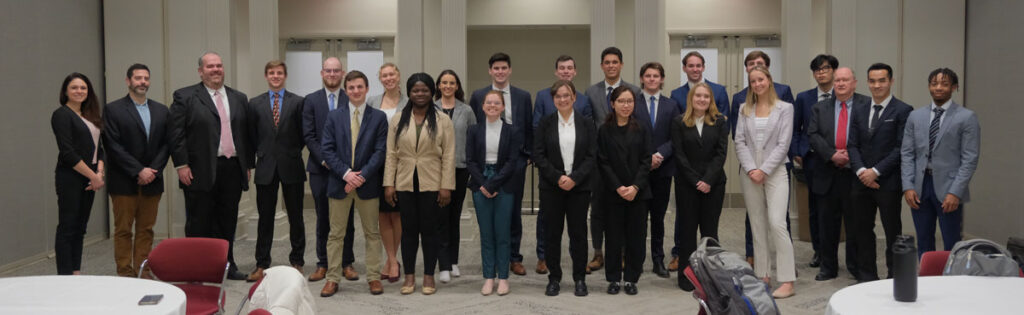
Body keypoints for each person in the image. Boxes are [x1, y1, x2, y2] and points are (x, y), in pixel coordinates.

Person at [169, 52, 251, 280]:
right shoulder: (185, 97)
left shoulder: (238, 98)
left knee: (228, 220)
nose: (215, 70)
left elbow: (244, 136)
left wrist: (247, 164)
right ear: (200, 71)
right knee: (199, 221)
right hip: (199, 169)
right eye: (210, 66)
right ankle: (196, 269)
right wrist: (181, 164)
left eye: (219, 66)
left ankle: (227, 265)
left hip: (232, 168)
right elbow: (176, 135)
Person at [383, 73, 456, 295]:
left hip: (432, 182)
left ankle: (428, 277)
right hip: (404, 182)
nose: (420, 94)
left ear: (432, 92)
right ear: (409, 93)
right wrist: (389, 183)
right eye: (415, 90)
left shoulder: (443, 119)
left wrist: (446, 186)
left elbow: (449, 155)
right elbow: (391, 154)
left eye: (424, 90)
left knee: (430, 231)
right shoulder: (397, 119)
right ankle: (409, 277)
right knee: (408, 232)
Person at [319, 71, 389, 296]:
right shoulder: (334, 116)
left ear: (367, 88)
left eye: (360, 87)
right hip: (339, 184)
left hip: (367, 185)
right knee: (335, 234)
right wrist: (347, 174)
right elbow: (327, 150)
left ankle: (374, 277)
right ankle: (332, 278)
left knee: (372, 234)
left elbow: (380, 152)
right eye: (351, 88)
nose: (356, 91)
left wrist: (360, 177)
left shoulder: (378, 117)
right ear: (345, 90)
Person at [901, 68, 979, 254]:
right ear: (929, 86)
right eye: (934, 83)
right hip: (920, 186)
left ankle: (952, 280)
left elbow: (970, 158)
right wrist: (908, 186)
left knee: (952, 242)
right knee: (923, 239)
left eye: (944, 84)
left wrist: (956, 192)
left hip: (949, 187)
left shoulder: (966, 117)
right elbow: (907, 153)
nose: (938, 88)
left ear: (954, 87)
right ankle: (927, 281)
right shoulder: (915, 116)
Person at [468, 53, 532, 276]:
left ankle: (513, 257)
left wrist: (527, 157)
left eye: (504, 67)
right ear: (490, 71)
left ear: (510, 70)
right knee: (488, 213)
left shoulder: (523, 96)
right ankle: (492, 259)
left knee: (512, 212)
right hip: (487, 161)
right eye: (496, 68)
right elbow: (477, 127)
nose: (500, 71)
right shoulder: (478, 96)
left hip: (515, 163)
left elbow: (529, 127)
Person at [102, 64, 169, 278]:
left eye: (146, 78)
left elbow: (167, 144)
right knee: (123, 231)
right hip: (124, 181)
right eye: (138, 78)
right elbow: (112, 145)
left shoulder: (161, 110)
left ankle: (143, 271)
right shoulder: (113, 109)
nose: (143, 82)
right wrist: (139, 170)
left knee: (146, 230)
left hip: (153, 181)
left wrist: (153, 171)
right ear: (128, 81)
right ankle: (125, 273)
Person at [728, 50, 795, 266]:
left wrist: (764, 170)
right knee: (756, 225)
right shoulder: (743, 107)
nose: (757, 84)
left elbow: (783, 144)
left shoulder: (785, 107)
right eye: (753, 81)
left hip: (775, 170)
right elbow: (739, 141)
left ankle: (787, 276)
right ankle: (762, 274)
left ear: (769, 79)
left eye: (761, 79)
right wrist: (751, 169)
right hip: (750, 172)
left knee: (777, 223)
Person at [848, 63, 913, 281]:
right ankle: (867, 277)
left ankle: (894, 277)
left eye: (882, 80)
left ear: (891, 81)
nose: (877, 85)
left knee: (892, 231)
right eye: (873, 81)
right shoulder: (858, 109)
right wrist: (861, 171)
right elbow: (852, 145)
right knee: (862, 231)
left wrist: (875, 171)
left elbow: (901, 148)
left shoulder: (903, 110)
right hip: (860, 182)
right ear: (867, 83)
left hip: (888, 183)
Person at [534, 80, 597, 297]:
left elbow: (592, 155)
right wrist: (558, 177)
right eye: (558, 96)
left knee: (578, 234)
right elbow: (539, 156)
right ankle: (554, 278)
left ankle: (580, 278)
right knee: (552, 234)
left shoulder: (587, 123)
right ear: (553, 100)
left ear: (574, 98)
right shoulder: (545, 123)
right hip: (552, 188)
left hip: (579, 188)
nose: (562, 99)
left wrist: (574, 178)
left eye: (566, 95)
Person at [247, 61, 307, 282]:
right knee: (265, 218)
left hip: (291, 165)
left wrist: (289, 152)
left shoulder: (298, 102)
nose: (275, 76)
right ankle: (262, 263)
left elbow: (303, 135)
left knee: (296, 217)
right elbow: (251, 136)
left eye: (279, 73)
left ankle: (297, 261)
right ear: (266, 76)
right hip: (265, 167)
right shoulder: (254, 104)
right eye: (271, 73)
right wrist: (262, 153)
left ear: (285, 75)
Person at [583, 46, 641, 273]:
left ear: (621, 65)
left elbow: (636, 125)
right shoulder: (591, 92)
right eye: (607, 62)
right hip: (599, 161)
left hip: (626, 162)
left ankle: (623, 253)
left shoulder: (634, 91)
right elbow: (589, 126)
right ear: (601, 66)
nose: (611, 66)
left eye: (615, 62)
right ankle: (598, 253)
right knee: (597, 209)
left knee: (624, 209)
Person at [808, 67, 867, 281]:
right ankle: (828, 267)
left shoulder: (866, 105)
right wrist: (832, 154)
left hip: (855, 173)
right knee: (827, 224)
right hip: (828, 173)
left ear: (854, 82)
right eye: (837, 80)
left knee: (855, 224)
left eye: (845, 80)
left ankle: (854, 266)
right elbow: (813, 135)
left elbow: (871, 135)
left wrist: (852, 155)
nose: (840, 83)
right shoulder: (819, 108)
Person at [302, 57, 358, 282]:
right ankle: (323, 263)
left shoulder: (351, 98)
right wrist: (326, 160)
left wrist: (341, 166)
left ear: (342, 73)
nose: (332, 74)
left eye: (336, 70)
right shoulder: (311, 100)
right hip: (320, 169)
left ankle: (347, 263)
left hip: (346, 170)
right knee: (323, 218)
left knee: (348, 218)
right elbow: (309, 135)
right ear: (322, 73)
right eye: (328, 70)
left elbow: (356, 133)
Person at [670, 82, 729, 291]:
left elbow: (721, 153)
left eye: (706, 96)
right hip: (687, 185)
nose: (702, 99)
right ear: (691, 99)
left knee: (709, 232)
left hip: (714, 185)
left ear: (710, 99)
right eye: (698, 96)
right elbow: (679, 154)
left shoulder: (720, 121)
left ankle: (711, 277)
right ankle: (686, 277)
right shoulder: (679, 122)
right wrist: (696, 180)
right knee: (687, 232)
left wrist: (708, 180)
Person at [466, 90, 525, 296]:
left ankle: (503, 278)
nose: (492, 106)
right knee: (486, 234)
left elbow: (512, 161)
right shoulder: (473, 130)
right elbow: (470, 160)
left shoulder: (512, 131)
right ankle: (489, 277)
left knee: (502, 233)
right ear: (482, 106)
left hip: (504, 183)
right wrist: (484, 184)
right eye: (488, 103)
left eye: (496, 103)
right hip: (480, 181)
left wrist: (494, 184)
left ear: (502, 107)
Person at [598, 86, 651, 295]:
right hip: (613, 192)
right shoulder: (604, 130)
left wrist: (635, 186)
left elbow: (647, 160)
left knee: (636, 237)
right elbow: (602, 161)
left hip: (638, 192)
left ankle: (631, 278)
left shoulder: (642, 128)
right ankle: (613, 279)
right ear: (613, 104)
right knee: (612, 237)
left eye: (629, 101)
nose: (626, 105)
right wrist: (619, 187)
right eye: (621, 101)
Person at [51, 72, 104, 275]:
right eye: (74, 87)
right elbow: (67, 152)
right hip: (71, 177)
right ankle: (64, 275)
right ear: (66, 91)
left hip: (91, 175)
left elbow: (101, 148)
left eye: (83, 87)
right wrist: (93, 176)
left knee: (81, 227)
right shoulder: (61, 115)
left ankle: (75, 271)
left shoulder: (90, 115)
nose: (79, 91)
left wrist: (99, 171)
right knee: (68, 226)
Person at [792, 54, 840, 269]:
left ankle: (836, 251)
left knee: (839, 207)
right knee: (815, 209)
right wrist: (798, 151)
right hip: (812, 159)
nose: (821, 72)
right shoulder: (804, 97)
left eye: (826, 68)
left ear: (834, 71)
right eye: (817, 69)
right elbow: (795, 128)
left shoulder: (843, 96)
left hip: (840, 160)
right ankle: (819, 251)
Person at [632, 62, 680, 278]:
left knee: (658, 218)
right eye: (648, 76)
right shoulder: (632, 102)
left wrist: (659, 155)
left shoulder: (672, 105)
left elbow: (676, 136)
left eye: (656, 76)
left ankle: (658, 259)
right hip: (639, 170)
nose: (652, 79)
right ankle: (637, 260)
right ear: (642, 79)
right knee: (638, 218)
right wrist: (646, 158)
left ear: (662, 79)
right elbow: (629, 135)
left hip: (662, 168)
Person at [434, 69, 476, 282]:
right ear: (439, 86)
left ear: (457, 86)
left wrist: (471, 168)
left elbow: (473, 140)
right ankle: (442, 264)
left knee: (455, 216)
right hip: (435, 170)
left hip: (460, 168)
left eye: (452, 82)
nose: (448, 86)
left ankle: (453, 261)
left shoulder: (466, 110)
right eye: (444, 82)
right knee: (440, 217)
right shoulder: (431, 108)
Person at [367, 62, 407, 282]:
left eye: (392, 74)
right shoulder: (372, 101)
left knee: (397, 212)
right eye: (384, 75)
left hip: (402, 164)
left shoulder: (409, 102)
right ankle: (391, 260)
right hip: (377, 163)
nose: (389, 78)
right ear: (380, 79)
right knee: (382, 213)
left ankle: (393, 258)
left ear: (399, 76)